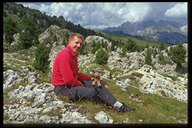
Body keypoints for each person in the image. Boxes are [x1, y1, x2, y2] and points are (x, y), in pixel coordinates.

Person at [51, 33, 135, 113]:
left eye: (81, 44)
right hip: (63, 89)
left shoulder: (73, 55)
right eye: (76, 43)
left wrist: (90, 78)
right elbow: (69, 79)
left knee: (98, 85)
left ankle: (118, 105)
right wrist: (81, 85)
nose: (79, 45)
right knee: (93, 92)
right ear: (69, 42)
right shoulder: (65, 55)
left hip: (70, 85)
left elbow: (76, 74)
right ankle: (114, 107)